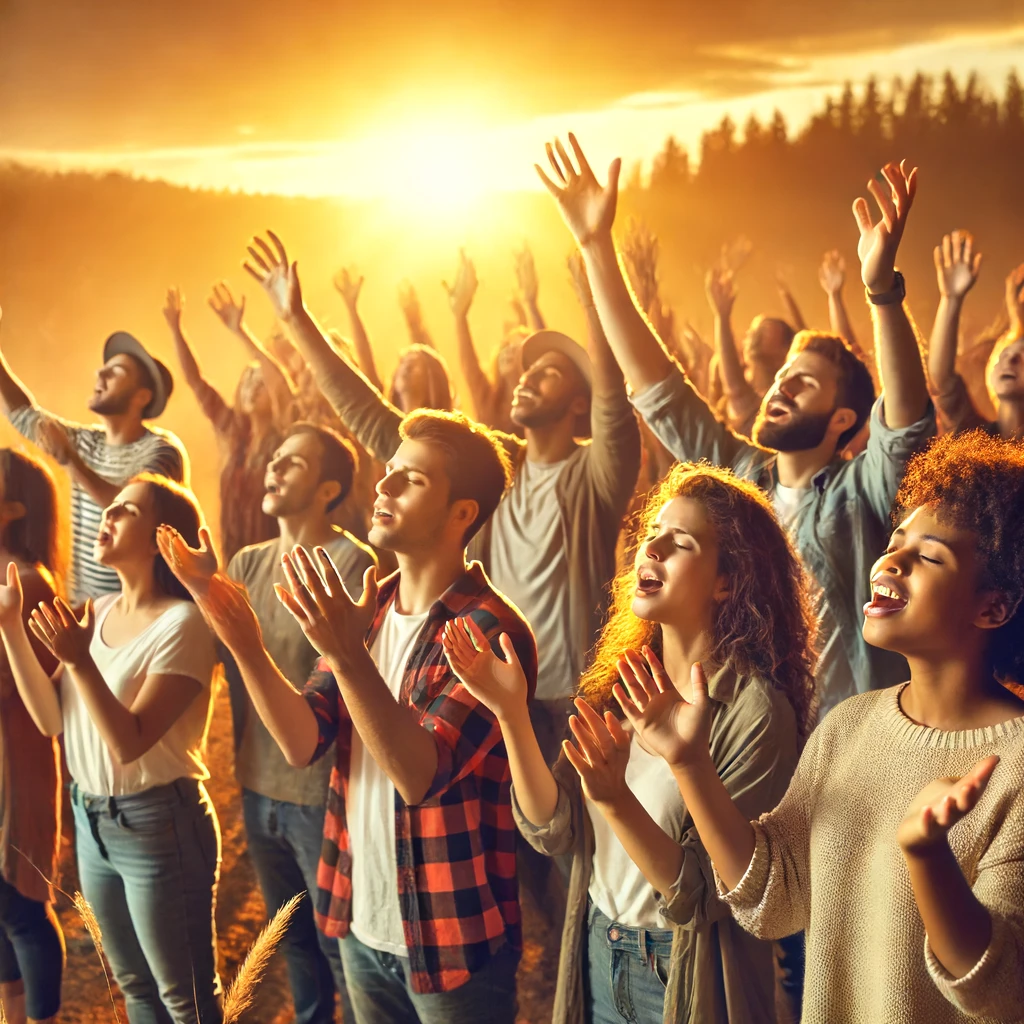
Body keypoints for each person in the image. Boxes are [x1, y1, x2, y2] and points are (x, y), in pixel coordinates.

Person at [624, 430, 1024, 1023]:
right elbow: (771, 900)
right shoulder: (851, 725)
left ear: (993, 607)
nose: (891, 561)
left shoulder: (1015, 762)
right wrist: (689, 764)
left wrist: (929, 855)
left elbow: (1002, 992)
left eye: (930, 556)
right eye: (896, 543)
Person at [157, 407, 538, 1024]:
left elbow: (419, 775)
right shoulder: (373, 608)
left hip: (451, 941)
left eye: (410, 480)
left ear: (462, 513)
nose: (383, 487)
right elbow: (302, 740)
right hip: (362, 922)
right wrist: (243, 638)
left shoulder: (489, 629)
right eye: (389, 471)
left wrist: (343, 652)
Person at [536, 134, 935, 720]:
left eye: (805, 383)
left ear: (843, 419)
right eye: (783, 374)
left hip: (845, 738)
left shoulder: (863, 493)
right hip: (746, 725)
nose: (781, 385)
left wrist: (880, 289)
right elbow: (656, 385)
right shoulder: (739, 479)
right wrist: (596, 245)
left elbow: (905, 423)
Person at [242, 230, 640, 769]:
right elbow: (372, 416)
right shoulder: (496, 468)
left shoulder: (597, 475)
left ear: (578, 405)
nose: (526, 379)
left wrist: (594, 291)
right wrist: (297, 320)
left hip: (567, 698)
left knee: (570, 846)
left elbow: (614, 398)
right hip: (487, 683)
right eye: (528, 370)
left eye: (548, 375)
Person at [444, 462, 817, 1024]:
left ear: (726, 581)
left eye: (680, 542)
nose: (653, 549)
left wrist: (616, 798)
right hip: (597, 939)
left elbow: (703, 893)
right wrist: (511, 712)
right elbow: (556, 828)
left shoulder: (756, 711)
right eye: (650, 536)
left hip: (678, 967)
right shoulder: (622, 681)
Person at [0, 474, 222, 1024]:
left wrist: (77, 661)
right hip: (93, 817)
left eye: (125, 510)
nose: (108, 515)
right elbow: (51, 720)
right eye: (110, 507)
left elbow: (130, 741)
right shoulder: (94, 612)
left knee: (184, 995)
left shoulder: (184, 623)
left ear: (160, 539)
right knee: (133, 987)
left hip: (160, 821)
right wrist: (8, 625)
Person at [225, 422, 375, 1024]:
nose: (275, 467)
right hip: (255, 781)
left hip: (321, 792)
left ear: (327, 489)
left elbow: (340, 684)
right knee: (290, 942)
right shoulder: (247, 562)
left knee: (343, 945)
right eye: (275, 457)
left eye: (293, 463)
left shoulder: (350, 562)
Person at [0, 306, 186, 604]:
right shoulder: (85, 441)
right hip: (83, 608)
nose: (100, 373)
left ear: (142, 397)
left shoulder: (163, 450)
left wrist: (69, 461)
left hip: (138, 609)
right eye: (104, 368)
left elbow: (128, 509)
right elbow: (23, 412)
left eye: (116, 371)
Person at [0, 449, 65, 1024]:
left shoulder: (29, 583)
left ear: (13, 509)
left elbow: (27, 684)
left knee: (23, 909)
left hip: (14, 771)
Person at [163, 284, 296, 562]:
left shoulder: (285, 437)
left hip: (276, 561)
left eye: (260, 384)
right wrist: (176, 330)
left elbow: (281, 385)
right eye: (247, 382)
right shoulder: (235, 433)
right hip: (235, 559)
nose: (252, 389)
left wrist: (240, 331)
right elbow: (196, 382)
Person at [927, 234, 1024, 440]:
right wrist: (951, 299)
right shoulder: (974, 437)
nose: (1010, 359)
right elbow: (941, 379)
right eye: (1004, 353)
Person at [334, 271, 454, 415]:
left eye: (413, 364)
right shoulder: (385, 422)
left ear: (434, 380)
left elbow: (428, 354)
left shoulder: (444, 431)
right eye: (402, 363)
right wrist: (352, 309)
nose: (406, 369)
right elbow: (367, 368)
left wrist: (414, 321)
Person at [703, 263, 795, 438]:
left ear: (785, 353)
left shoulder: (779, 402)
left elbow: (736, 389)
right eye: (753, 331)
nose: (754, 335)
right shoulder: (725, 401)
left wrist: (722, 317)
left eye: (764, 330)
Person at [445, 250, 527, 435]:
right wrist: (460, 316)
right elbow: (469, 365)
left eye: (517, 347)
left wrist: (529, 304)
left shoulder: (542, 402)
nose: (508, 351)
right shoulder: (487, 399)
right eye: (506, 346)